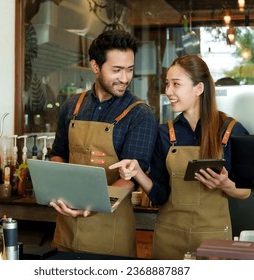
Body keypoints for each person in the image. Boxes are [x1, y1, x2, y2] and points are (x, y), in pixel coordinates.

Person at [109, 54, 251, 260]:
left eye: (176, 84)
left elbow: (245, 191)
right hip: (169, 239)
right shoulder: (164, 133)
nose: (168, 91)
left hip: (213, 240)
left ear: (199, 89)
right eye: (167, 84)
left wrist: (226, 185)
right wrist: (137, 171)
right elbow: (160, 196)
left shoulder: (230, 130)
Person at [48, 29, 158, 258]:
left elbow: (130, 179)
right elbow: (58, 154)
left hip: (110, 232)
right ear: (95, 67)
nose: (125, 78)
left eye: (129, 69)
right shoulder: (72, 106)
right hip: (67, 227)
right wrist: (56, 190)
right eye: (116, 70)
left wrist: (89, 204)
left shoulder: (140, 114)